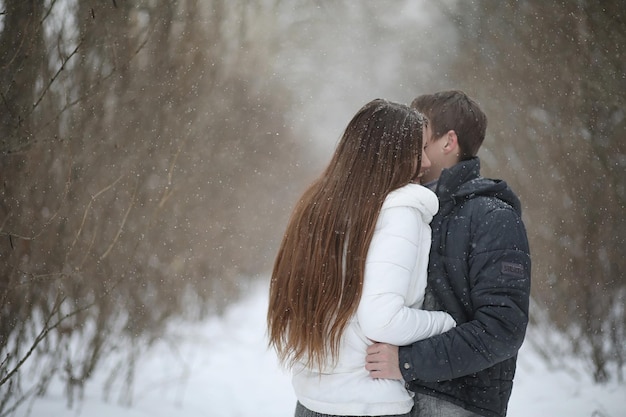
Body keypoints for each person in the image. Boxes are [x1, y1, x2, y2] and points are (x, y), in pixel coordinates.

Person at [267, 98, 458, 417]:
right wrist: (446, 321)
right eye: (420, 150)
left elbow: (291, 297)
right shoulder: (401, 212)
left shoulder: (319, 207)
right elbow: (383, 319)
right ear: (393, 154)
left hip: (312, 401)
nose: (426, 163)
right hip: (370, 403)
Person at [365, 90, 531, 417]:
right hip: (397, 396)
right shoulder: (407, 209)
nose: (409, 146)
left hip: (456, 405)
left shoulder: (493, 217)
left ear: (448, 142)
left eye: (419, 138)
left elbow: (502, 329)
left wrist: (408, 360)